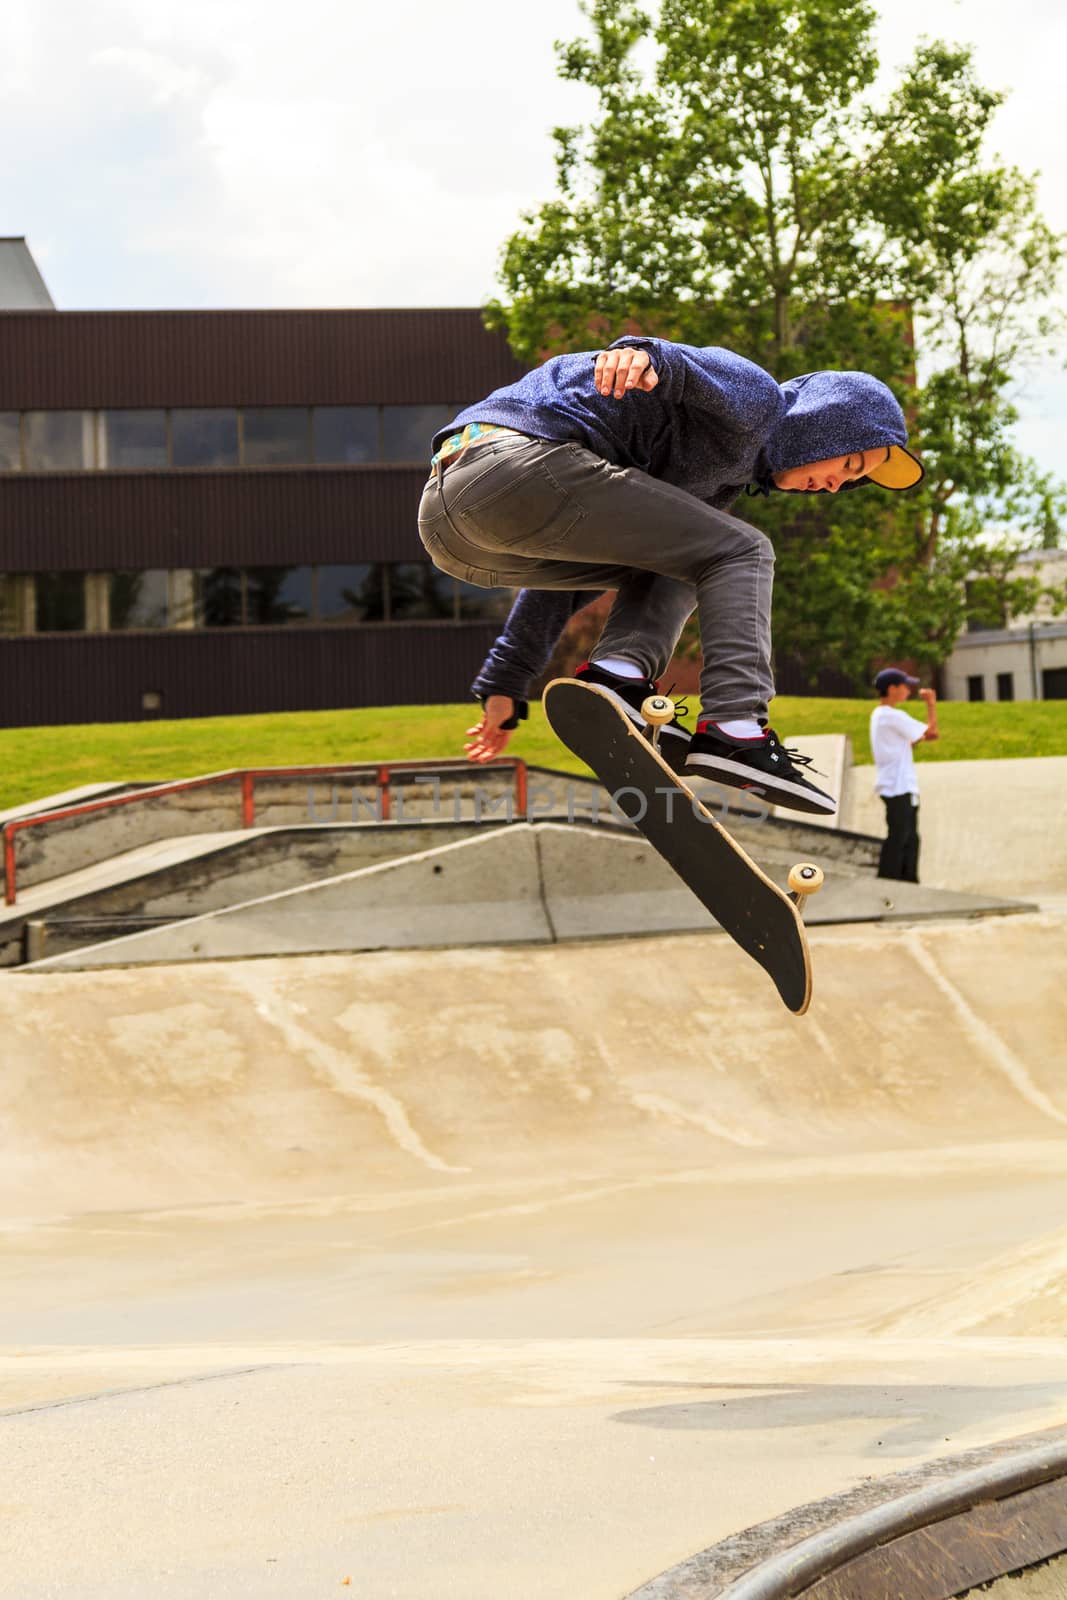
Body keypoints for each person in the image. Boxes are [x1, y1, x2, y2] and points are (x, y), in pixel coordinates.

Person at [417, 336, 924, 816]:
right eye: (851, 461)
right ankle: (736, 727)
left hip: (456, 533)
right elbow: (680, 365)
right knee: (743, 549)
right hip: (513, 462)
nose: (837, 486)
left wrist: (506, 681)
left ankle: (618, 680)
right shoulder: (760, 401)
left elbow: (559, 597)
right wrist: (638, 354)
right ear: (827, 421)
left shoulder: (711, 488)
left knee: (695, 554)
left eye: (853, 483)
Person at [869, 667, 939, 881]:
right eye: (905, 686)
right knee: (901, 838)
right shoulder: (891, 715)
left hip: (897, 785)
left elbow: (914, 740)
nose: (909, 690)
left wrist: (916, 738)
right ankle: (891, 882)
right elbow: (932, 733)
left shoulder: (880, 715)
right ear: (892, 689)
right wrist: (931, 705)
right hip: (897, 786)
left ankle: (905, 883)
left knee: (908, 838)